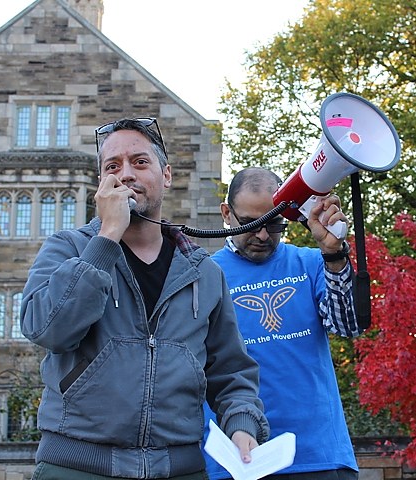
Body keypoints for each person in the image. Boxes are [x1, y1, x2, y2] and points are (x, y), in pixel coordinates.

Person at [20, 118, 269, 479]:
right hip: (77, 465)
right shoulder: (69, 248)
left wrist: (243, 424)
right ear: (101, 184)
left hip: (178, 467)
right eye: (112, 166)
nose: (126, 174)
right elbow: (47, 328)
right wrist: (106, 237)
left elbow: (230, 371)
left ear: (165, 175)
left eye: (139, 162)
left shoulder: (204, 271)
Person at [203, 167, 362, 479]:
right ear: (226, 213)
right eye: (250, 224)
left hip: (319, 456)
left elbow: (347, 326)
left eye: (274, 224)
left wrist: (335, 254)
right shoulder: (204, 274)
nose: (263, 235)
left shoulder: (311, 262)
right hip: (235, 462)